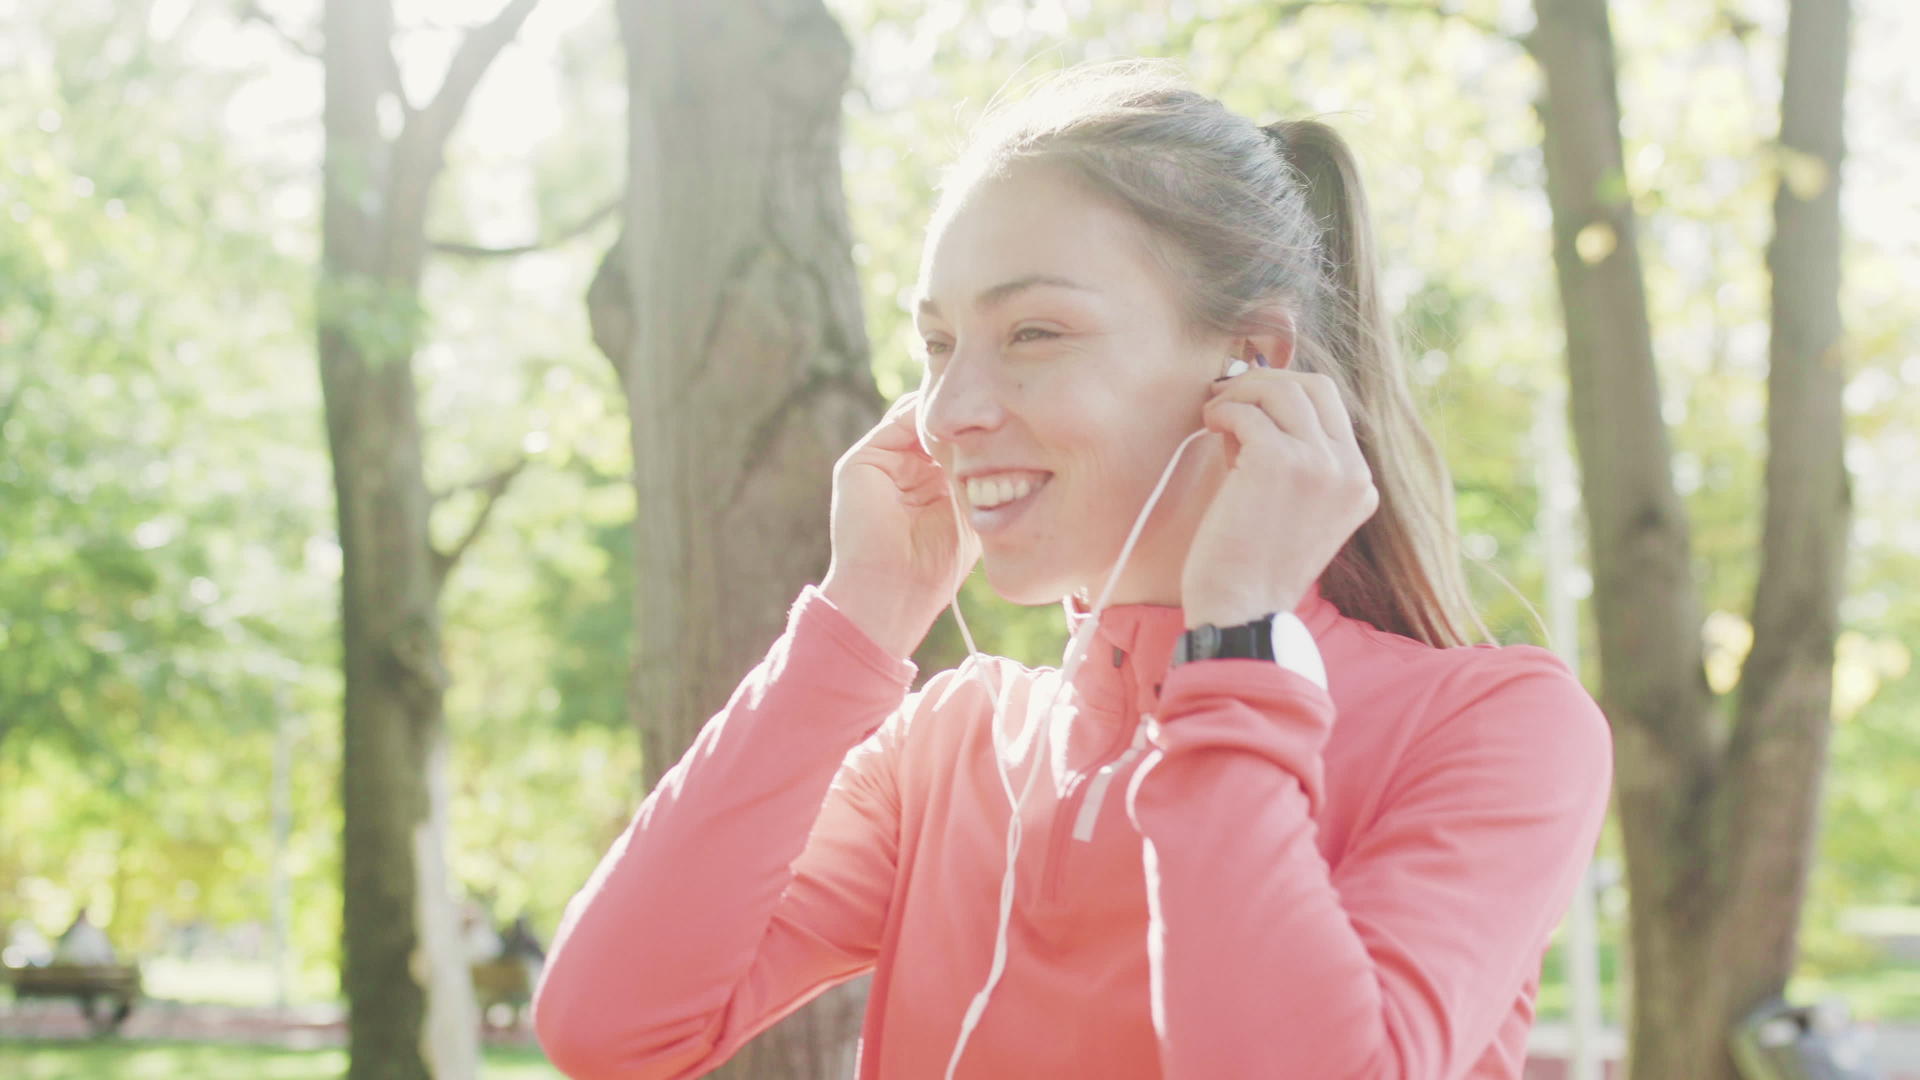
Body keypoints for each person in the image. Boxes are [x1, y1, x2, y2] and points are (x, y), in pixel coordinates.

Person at [533, 58, 1613, 1080]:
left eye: (1034, 332)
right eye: (938, 345)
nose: (950, 411)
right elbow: (612, 1026)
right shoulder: (949, 747)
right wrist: (858, 620)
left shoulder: (1494, 726)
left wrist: (1234, 637)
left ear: (1254, 362)